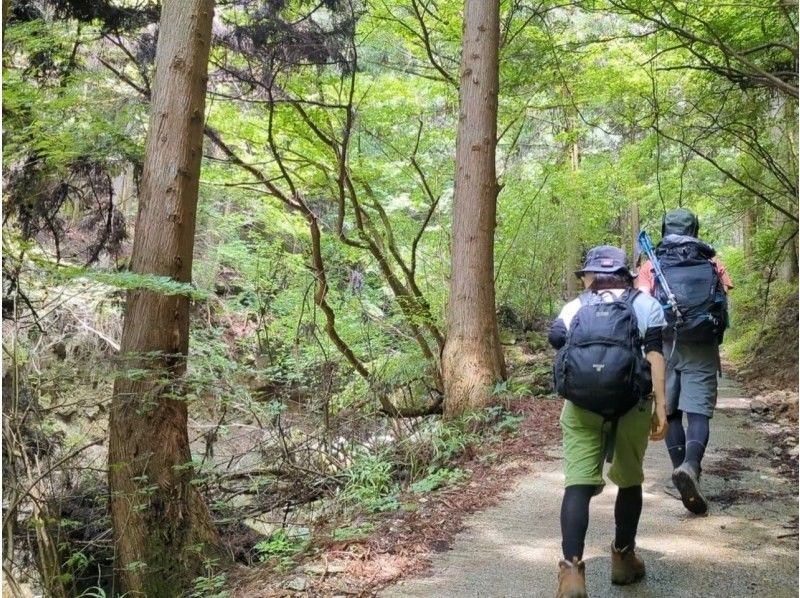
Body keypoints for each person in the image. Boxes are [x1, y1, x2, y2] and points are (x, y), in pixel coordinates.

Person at [549, 246, 667, 598]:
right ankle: (623, 559)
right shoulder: (646, 304)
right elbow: (655, 355)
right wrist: (662, 406)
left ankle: (571, 573)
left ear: (591, 277)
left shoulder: (574, 307)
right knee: (629, 480)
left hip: (582, 405)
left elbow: (557, 341)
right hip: (632, 402)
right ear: (625, 275)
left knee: (578, 485)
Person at [637, 208, 733, 515]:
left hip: (663, 347)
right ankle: (691, 467)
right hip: (702, 345)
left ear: (665, 230)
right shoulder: (712, 262)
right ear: (695, 230)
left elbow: (641, 306)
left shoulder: (651, 264)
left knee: (671, 411)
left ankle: (679, 469)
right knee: (699, 410)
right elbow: (725, 295)